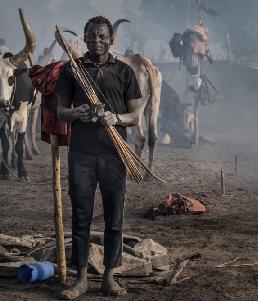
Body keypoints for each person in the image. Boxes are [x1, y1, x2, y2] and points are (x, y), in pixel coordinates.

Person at [55, 16, 143, 298]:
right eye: (91, 36)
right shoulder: (72, 69)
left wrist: (115, 117)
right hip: (80, 154)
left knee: (114, 218)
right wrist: (76, 113)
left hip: (114, 155)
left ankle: (109, 278)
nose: (96, 40)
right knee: (81, 217)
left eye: (102, 36)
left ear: (111, 39)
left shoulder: (125, 72)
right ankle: (80, 279)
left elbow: (135, 115)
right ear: (84, 37)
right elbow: (60, 112)